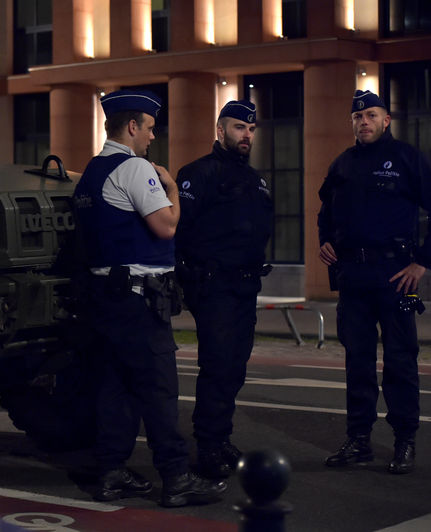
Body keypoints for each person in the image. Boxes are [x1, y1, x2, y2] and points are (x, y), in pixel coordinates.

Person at [73, 89, 226, 507]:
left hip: (105, 296)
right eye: (150, 128)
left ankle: (112, 471)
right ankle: (176, 477)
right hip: (137, 300)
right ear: (133, 126)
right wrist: (172, 187)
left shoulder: (92, 171)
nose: (152, 138)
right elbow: (167, 226)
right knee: (159, 390)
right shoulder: (134, 168)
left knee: (114, 389)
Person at [318, 90, 431, 474]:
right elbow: (325, 213)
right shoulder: (342, 164)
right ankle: (358, 441)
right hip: (353, 280)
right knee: (356, 361)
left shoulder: (407, 159)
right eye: (358, 116)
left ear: (386, 121)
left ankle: (404, 441)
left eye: (371, 115)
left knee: (401, 358)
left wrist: (423, 263)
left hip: (400, 281)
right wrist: (324, 242)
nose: (364, 121)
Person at [174, 99, 273, 479]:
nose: (246, 135)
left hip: (245, 286)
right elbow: (179, 232)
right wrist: (187, 280)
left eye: (250, 129)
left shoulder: (255, 180)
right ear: (220, 130)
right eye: (238, 128)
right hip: (213, 286)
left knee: (235, 368)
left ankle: (221, 437)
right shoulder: (198, 174)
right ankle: (208, 446)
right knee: (216, 367)